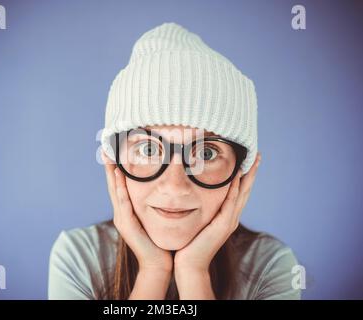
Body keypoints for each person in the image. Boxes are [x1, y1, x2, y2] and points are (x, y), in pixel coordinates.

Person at [48, 22, 301, 300]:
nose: (174, 186)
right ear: (114, 162)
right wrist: (152, 271)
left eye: (206, 153)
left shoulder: (271, 266)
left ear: (243, 171)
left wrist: (194, 273)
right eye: (147, 150)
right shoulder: (78, 258)